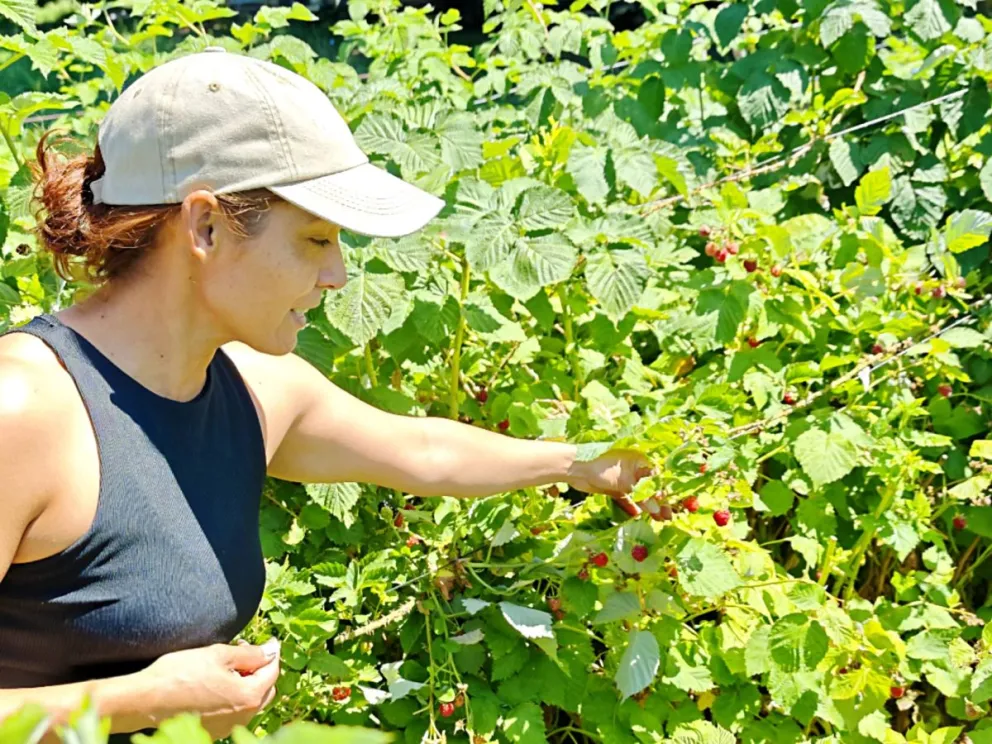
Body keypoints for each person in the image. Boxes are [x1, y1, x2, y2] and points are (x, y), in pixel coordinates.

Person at [0, 47, 652, 742]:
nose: (338, 274)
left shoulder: (252, 389)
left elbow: (423, 452)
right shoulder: (27, 410)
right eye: (316, 239)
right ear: (205, 227)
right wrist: (140, 701)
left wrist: (583, 463)